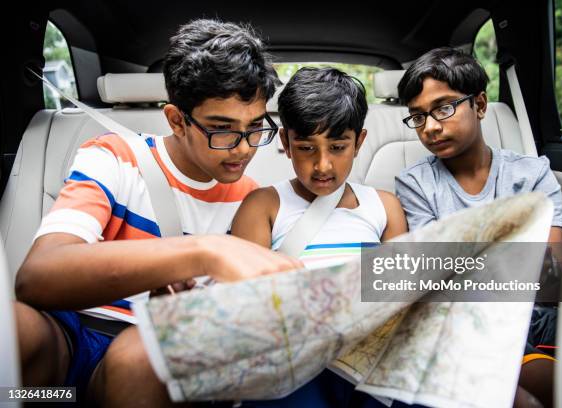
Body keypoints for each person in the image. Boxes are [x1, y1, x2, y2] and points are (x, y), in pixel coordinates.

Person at [14, 18, 301, 407]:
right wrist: (201, 253)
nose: (244, 148)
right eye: (222, 129)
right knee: (12, 330)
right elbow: (36, 277)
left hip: (144, 369)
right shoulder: (116, 157)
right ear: (177, 120)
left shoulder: (252, 201)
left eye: (254, 128)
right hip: (58, 367)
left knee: (145, 357)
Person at [395, 47, 562, 408]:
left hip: (539, 317)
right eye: (418, 117)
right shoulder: (416, 184)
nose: (430, 127)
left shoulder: (532, 173)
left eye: (443, 108)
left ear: (481, 105)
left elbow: (549, 273)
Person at [230, 67, 407, 408]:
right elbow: (247, 301)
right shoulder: (264, 205)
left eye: (338, 146)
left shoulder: (384, 207)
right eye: (306, 147)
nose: (322, 165)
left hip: (368, 358)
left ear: (360, 142)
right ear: (285, 142)